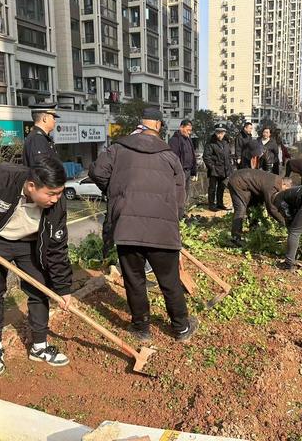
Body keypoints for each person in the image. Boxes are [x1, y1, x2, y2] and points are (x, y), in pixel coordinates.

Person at [0, 155, 72, 377]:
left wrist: (63, 289)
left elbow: (57, 246)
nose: (56, 199)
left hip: (30, 243)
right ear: (31, 185)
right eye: (51, 194)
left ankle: (39, 346)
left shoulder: (57, 203)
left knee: (38, 290)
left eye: (59, 192)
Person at [89, 107, 198, 343]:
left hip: (127, 228)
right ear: (158, 125)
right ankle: (180, 328)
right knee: (169, 281)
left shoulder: (118, 148)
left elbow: (97, 171)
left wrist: (116, 192)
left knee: (134, 279)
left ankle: (142, 329)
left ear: (141, 123)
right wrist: (174, 217)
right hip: (162, 230)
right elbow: (180, 196)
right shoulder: (169, 156)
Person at [228, 169, 292, 246]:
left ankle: (253, 227)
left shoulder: (275, 180)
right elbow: (271, 209)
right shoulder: (272, 185)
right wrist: (285, 222)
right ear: (284, 185)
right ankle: (235, 238)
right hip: (238, 181)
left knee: (255, 204)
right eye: (285, 190)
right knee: (240, 209)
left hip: (244, 180)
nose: (284, 193)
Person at [203, 123, 233, 211]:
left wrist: (229, 166)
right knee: (212, 188)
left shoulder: (226, 142)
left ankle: (220, 204)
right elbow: (206, 157)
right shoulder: (211, 142)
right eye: (218, 132)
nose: (220, 135)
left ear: (225, 133)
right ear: (215, 132)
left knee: (221, 187)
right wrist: (212, 167)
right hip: (215, 170)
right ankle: (211, 205)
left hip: (224, 169)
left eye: (222, 132)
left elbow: (228, 155)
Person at [169, 120, 197, 204]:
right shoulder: (174, 140)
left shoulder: (189, 140)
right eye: (187, 130)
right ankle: (177, 212)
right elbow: (173, 158)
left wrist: (194, 171)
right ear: (181, 127)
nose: (189, 132)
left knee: (186, 192)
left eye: (190, 130)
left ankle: (184, 210)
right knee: (179, 193)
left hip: (188, 170)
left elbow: (192, 155)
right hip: (180, 171)